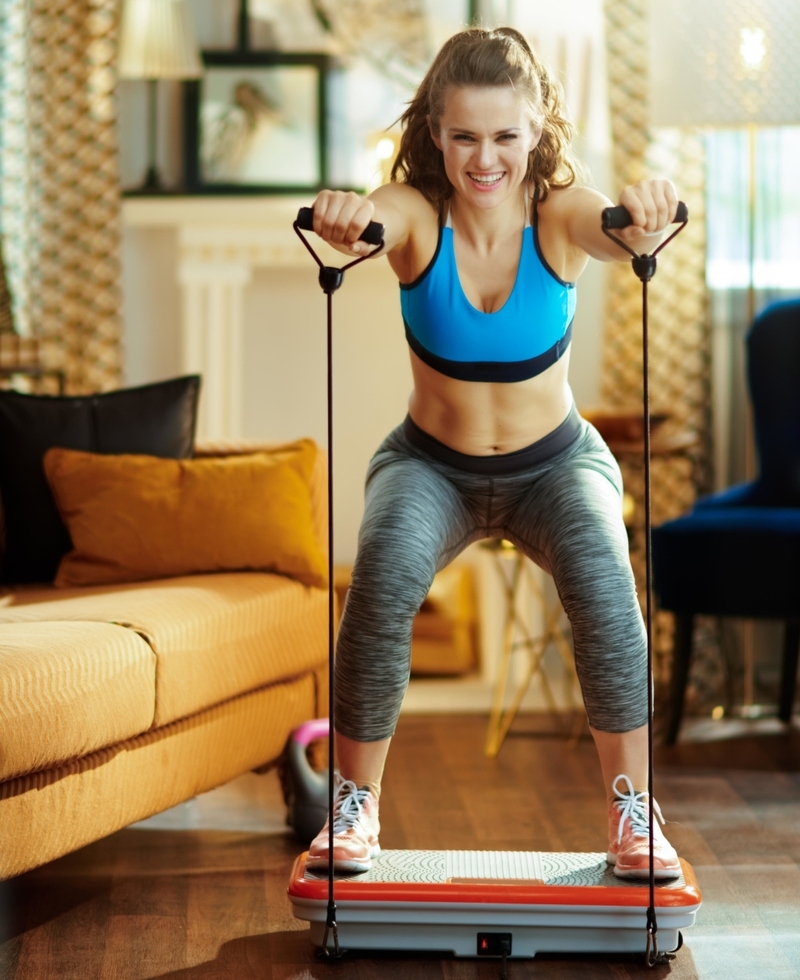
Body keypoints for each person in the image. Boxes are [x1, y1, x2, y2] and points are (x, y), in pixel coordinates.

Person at [305, 26, 681, 880]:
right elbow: (376, 215)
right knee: (386, 566)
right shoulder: (416, 214)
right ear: (435, 131)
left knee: (602, 569)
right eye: (466, 135)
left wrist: (644, 216)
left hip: (555, 466)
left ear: (538, 129)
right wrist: (348, 217)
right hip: (430, 466)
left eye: (506, 136)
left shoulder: (557, 214)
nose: (486, 159)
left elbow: (612, 230)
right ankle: (354, 807)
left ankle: (633, 810)